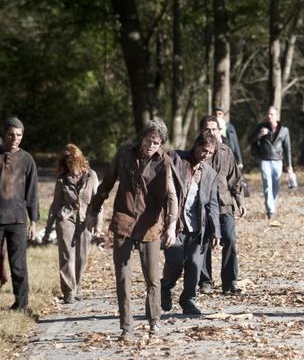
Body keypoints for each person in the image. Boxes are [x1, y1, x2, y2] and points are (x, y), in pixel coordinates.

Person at [86, 118, 178, 341]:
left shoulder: (164, 162)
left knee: (152, 278)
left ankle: (154, 321)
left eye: (156, 143)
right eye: (148, 140)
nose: (151, 146)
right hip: (124, 220)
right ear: (142, 137)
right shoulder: (125, 154)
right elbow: (107, 182)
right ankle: (126, 327)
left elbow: (171, 196)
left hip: (150, 224)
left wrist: (172, 225)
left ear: (161, 144)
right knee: (123, 277)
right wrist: (93, 210)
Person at [161, 132, 221, 315]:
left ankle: (188, 300)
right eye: (204, 150)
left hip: (197, 228)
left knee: (195, 266)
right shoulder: (176, 159)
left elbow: (212, 204)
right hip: (175, 224)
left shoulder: (210, 173)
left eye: (210, 153)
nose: (206, 155)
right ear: (196, 146)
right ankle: (165, 287)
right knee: (176, 262)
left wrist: (216, 232)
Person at [43, 144, 100, 304]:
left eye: (72, 159)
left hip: (85, 219)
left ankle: (77, 287)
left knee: (82, 256)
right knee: (66, 255)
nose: (69, 163)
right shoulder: (62, 180)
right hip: (66, 218)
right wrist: (48, 229)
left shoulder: (91, 176)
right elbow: (55, 205)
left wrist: (98, 225)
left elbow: (98, 202)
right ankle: (68, 291)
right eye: (66, 160)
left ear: (79, 158)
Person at [197, 115, 246, 295]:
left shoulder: (227, 152)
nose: (211, 133)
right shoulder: (197, 152)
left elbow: (235, 179)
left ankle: (230, 281)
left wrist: (240, 201)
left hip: (225, 203)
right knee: (203, 242)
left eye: (214, 129)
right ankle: (205, 281)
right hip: (202, 206)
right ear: (201, 131)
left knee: (230, 239)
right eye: (207, 129)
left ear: (219, 131)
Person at [0, 117, 39, 311]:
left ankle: (21, 304)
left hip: (17, 219)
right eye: (11, 134)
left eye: (19, 135)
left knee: (18, 264)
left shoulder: (27, 160)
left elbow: (32, 193)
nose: (15, 138)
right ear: (3, 134)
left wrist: (34, 221)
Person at [249, 106, 293, 219]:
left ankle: (272, 205)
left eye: (272, 114)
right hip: (265, 160)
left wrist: (289, 166)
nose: (269, 116)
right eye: (268, 114)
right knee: (267, 185)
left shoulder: (284, 130)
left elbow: (287, 148)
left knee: (275, 186)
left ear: (277, 116)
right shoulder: (261, 127)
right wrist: (260, 135)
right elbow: (250, 140)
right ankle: (270, 210)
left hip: (278, 161)